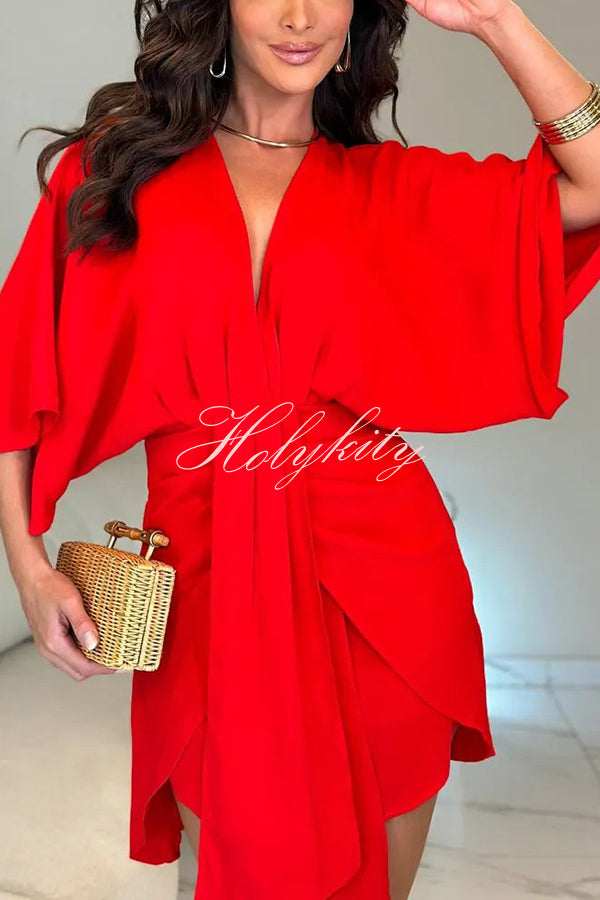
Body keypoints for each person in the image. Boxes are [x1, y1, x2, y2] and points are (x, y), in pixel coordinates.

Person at [1, 0, 600, 897]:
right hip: (204, 598)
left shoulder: (391, 189)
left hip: (388, 601)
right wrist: (28, 566)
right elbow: (16, 377)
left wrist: (497, 21)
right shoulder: (111, 175)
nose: (299, 15)